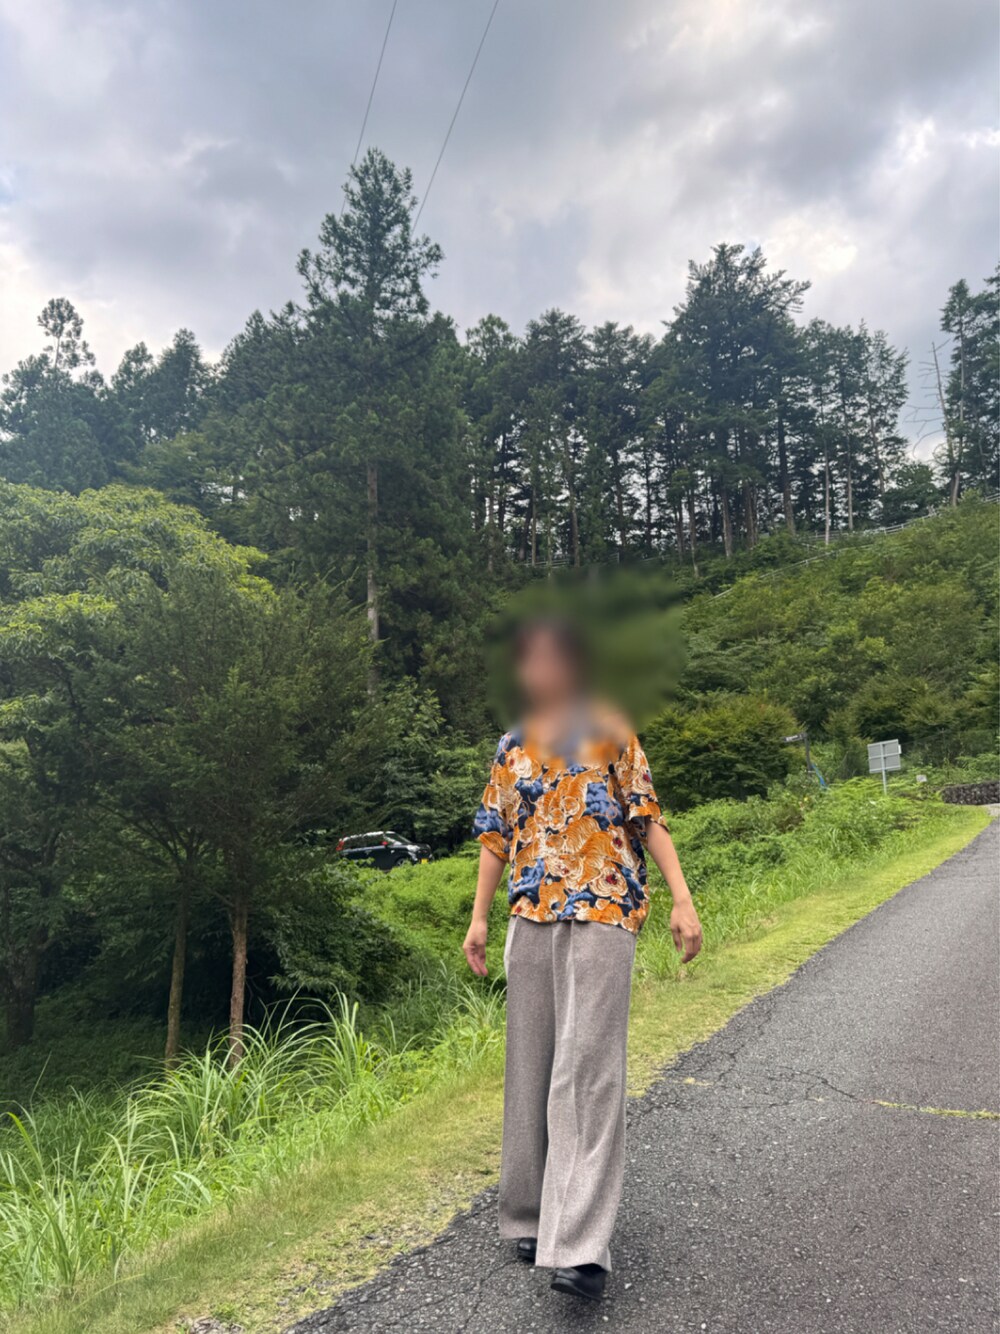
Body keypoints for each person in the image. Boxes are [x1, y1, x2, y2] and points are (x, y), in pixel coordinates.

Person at [463, 616, 702, 1302]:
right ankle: (531, 1215)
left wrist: (682, 900)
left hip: (604, 909)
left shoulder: (610, 730)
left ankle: (582, 1245)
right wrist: (479, 918)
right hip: (530, 914)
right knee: (531, 1065)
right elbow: (495, 836)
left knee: (588, 1069)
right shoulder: (512, 745)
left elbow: (647, 818)